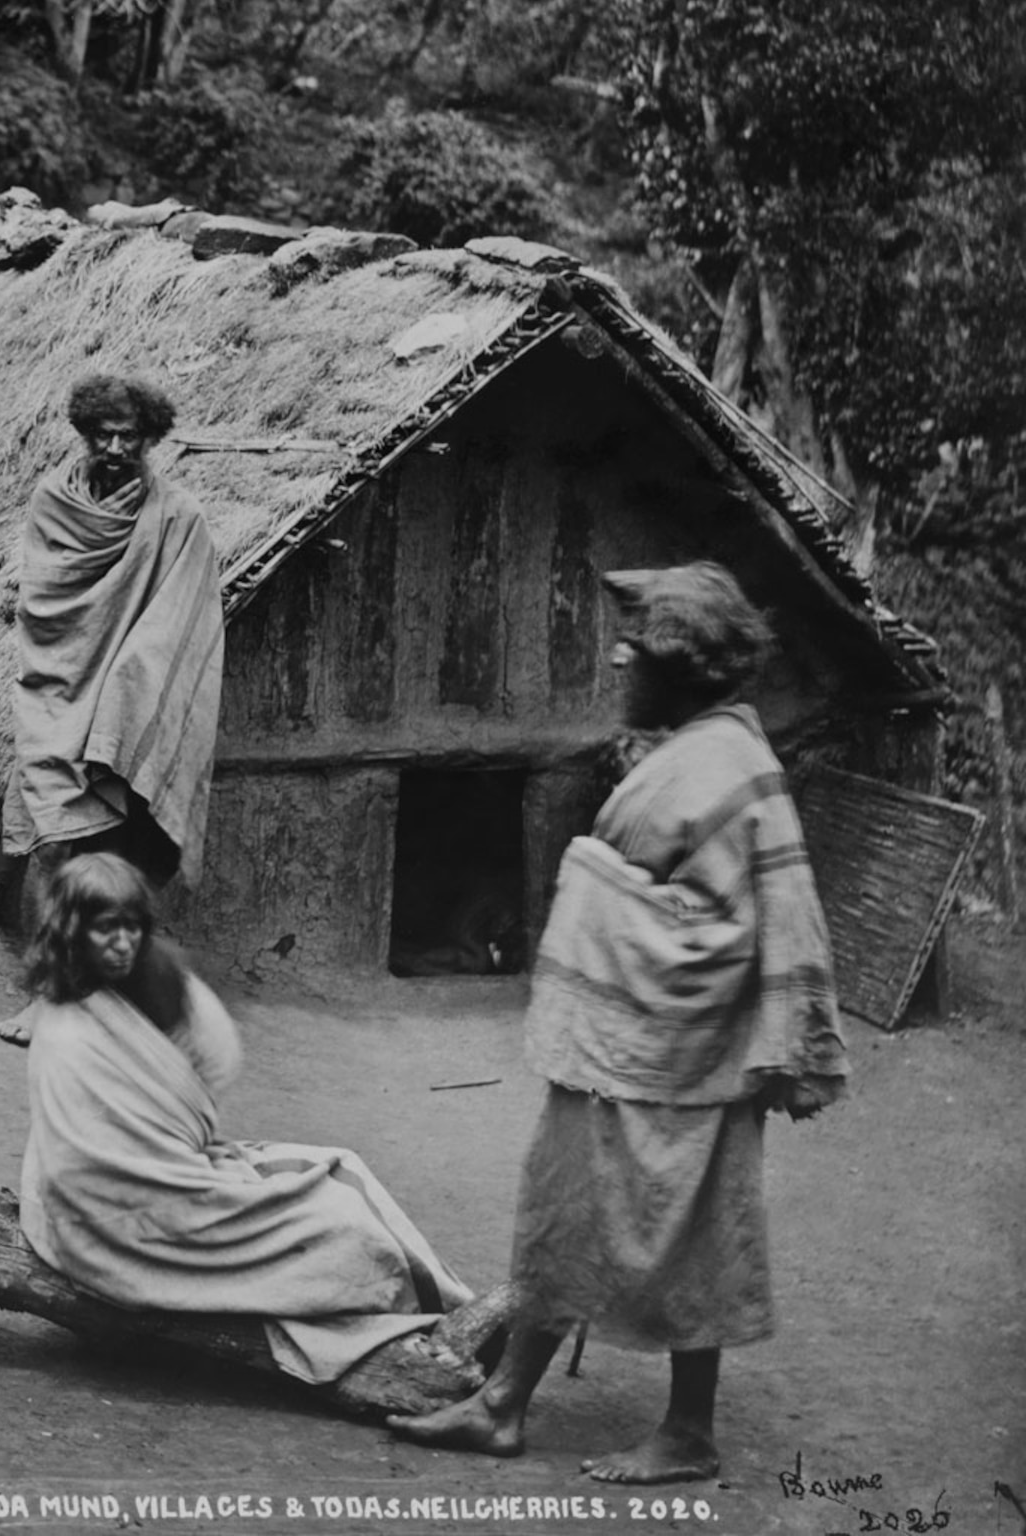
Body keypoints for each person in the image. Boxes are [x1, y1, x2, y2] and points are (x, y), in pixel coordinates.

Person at [391, 564, 846, 1484]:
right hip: (624, 1046)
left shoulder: (726, 764)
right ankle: (502, 1405)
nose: (615, 653)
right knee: (564, 1212)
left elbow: (759, 918)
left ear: (679, 668)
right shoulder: (693, 744)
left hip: (685, 1051)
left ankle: (687, 1432)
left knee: (694, 1233)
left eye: (633, 645)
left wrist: (611, 897)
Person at [15, 853, 472, 1384]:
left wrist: (174, 1135)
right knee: (341, 1226)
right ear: (73, 932)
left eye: (131, 928)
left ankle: (451, 1307)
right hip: (111, 1219)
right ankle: (441, 1316)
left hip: (163, 1172)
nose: (122, 944)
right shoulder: (69, 1029)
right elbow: (82, 1156)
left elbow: (195, 1080)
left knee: (341, 1168)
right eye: (104, 930)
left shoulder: (150, 982)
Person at [0, 371, 224, 927]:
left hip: (123, 709)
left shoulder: (177, 518)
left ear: (149, 439)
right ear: (84, 434)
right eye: (103, 435)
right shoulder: (54, 502)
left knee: (118, 856)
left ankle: (103, 979)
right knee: (50, 843)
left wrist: (125, 685)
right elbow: (43, 606)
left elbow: (183, 622)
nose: (116, 448)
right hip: (57, 692)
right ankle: (45, 985)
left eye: (128, 436)